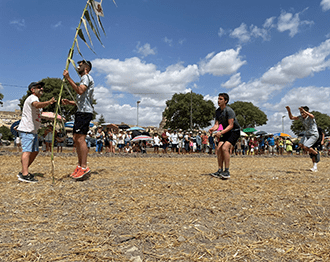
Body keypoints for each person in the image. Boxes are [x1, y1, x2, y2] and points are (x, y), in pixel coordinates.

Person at [17, 81, 56, 182]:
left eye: (42, 87)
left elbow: (40, 114)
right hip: (27, 129)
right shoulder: (33, 98)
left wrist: (53, 117)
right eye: (39, 87)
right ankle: (25, 174)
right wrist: (49, 102)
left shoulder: (36, 100)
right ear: (32, 90)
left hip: (32, 131)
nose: (41, 89)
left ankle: (23, 171)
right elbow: (37, 105)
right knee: (27, 151)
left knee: (35, 151)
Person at [62, 60, 94, 180]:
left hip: (85, 112)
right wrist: (70, 102)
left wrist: (68, 78)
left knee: (80, 138)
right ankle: (80, 165)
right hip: (81, 111)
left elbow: (80, 91)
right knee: (76, 138)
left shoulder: (86, 77)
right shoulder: (84, 79)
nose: (78, 66)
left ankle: (84, 167)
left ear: (87, 68)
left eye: (80, 65)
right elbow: (81, 100)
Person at [209, 93, 240, 179]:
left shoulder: (229, 111)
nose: (218, 101)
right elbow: (217, 125)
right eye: (218, 99)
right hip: (225, 131)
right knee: (218, 148)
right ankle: (219, 170)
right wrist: (213, 129)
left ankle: (227, 171)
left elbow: (231, 125)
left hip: (234, 131)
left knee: (224, 148)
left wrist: (221, 132)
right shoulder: (218, 111)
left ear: (226, 101)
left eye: (221, 99)